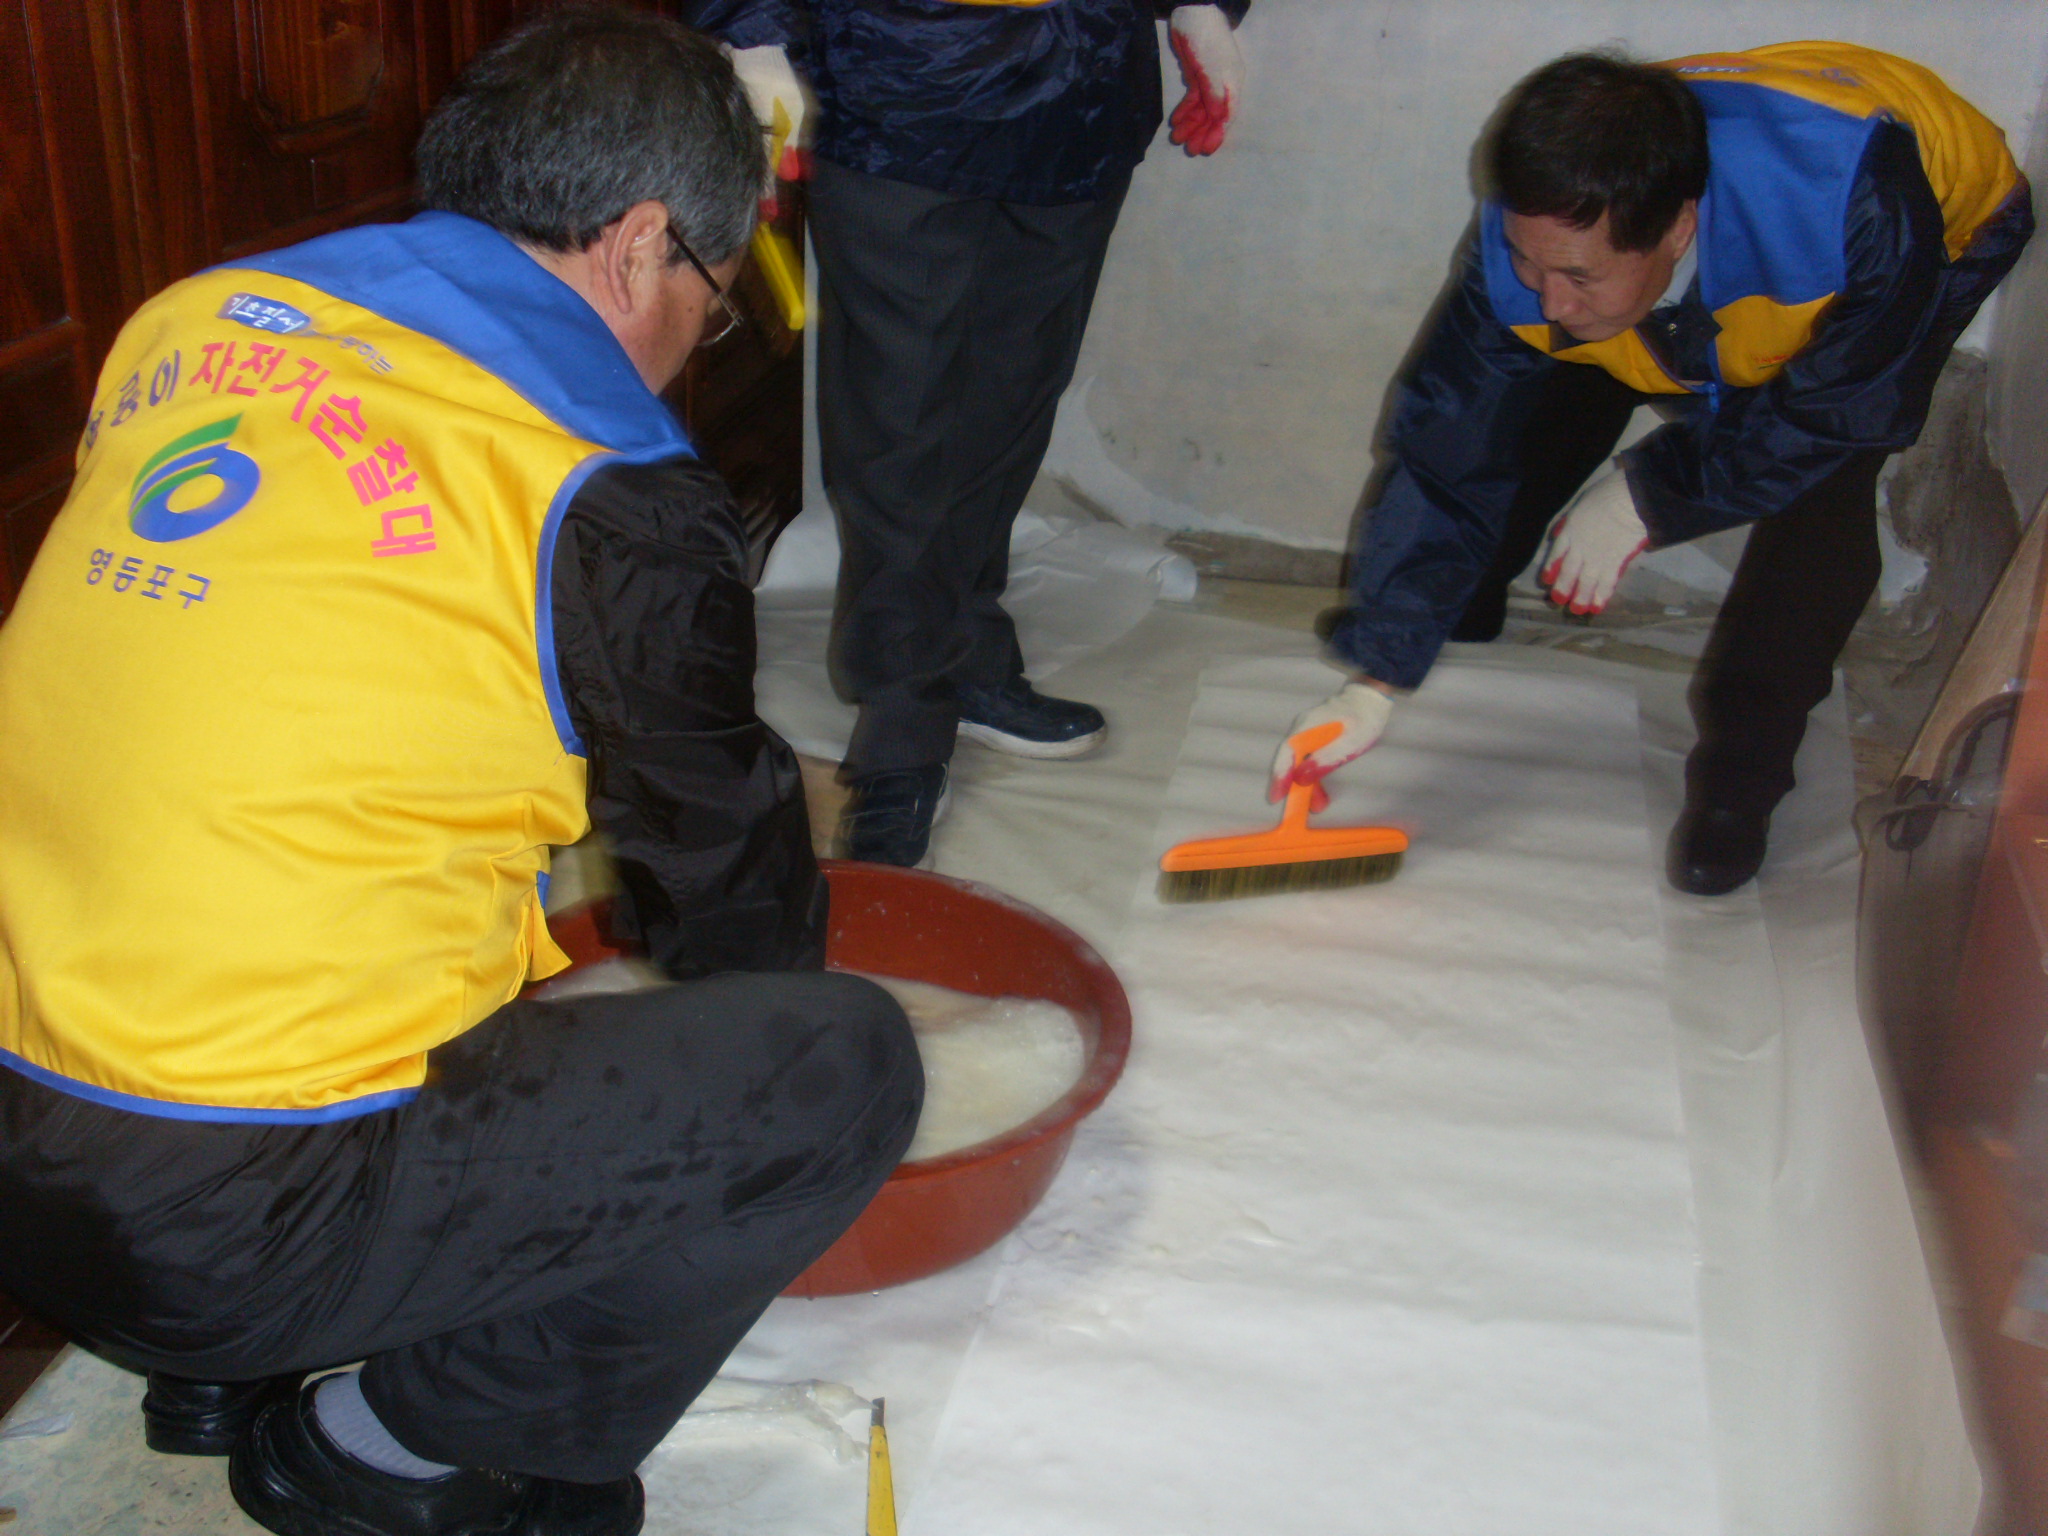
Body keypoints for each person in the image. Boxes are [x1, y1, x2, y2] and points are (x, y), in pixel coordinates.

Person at [0, 11, 922, 1536]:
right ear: (640, 248)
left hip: (26, 1140)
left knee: (379, 842)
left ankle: (210, 1380)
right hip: (228, 1219)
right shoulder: (602, 487)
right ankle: (387, 1450)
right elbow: (727, 886)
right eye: (715, 291)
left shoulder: (199, 316)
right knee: (840, 1070)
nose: (706, 331)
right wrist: (761, 1054)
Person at [1272, 45, 2033, 895]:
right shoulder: (1543, 228)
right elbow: (1448, 447)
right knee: (1562, 375)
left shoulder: (1862, 220)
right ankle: (1464, 598)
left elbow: (1833, 414)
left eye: (1574, 274)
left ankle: (1739, 788)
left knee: (1820, 484)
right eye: (1530, 262)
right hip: (1721, 240)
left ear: (1676, 230)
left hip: (1937, 227)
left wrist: (1653, 493)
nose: (1546, 295)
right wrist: (1377, 673)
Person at [688, 0, 1249, 865]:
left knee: (1013, 399)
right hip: (896, 87)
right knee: (897, 414)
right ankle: (905, 717)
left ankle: (970, 652)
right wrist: (753, 30)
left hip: (1081, 95)